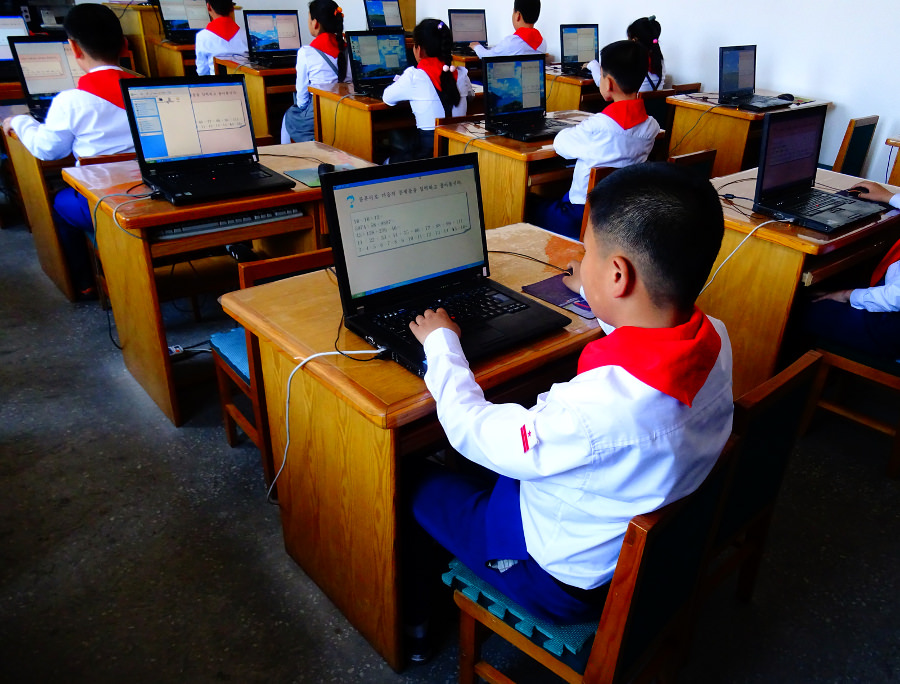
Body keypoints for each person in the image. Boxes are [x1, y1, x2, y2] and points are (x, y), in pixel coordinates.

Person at [405, 163, 733, 654]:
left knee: (410, 478)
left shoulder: (589, 413)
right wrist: (597, 290)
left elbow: (472, 430)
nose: (583, 261)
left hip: (559, 581)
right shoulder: (716, 341)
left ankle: (414, 626)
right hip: (637, 547)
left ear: (619, 274)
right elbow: (643, 340)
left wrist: (442, 344)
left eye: (590, 253)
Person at [1, 3, 139, 298]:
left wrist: (21, 121)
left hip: (102, 203)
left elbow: (47, 151)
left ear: (73, 49)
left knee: (60, 203)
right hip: (148, 193)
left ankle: (85, 282)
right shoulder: (148, 86)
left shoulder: (70, 100)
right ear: (125, 45)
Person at [526, 40, 660, 240]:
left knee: (527, 204)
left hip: (578, 218)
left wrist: (576, 128)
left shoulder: (597, 127)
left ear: (609, 83)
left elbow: (560, 144)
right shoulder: (651, 127)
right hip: (616, 216)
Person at [800, 180, 900, 358]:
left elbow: (895, 297)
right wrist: (889, 197)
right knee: (835, 281)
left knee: (802, 309)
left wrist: (847, 295)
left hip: (891, 330)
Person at [381, 19, 472, 162]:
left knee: (384, 159)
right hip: (457, 153)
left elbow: (387, 98)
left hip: (426, 158)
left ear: (419, 50)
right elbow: (470, 96)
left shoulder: (413, 77)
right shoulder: (462, 75)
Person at [281, 0, 350, 144]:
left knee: (289, 115)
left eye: (309, 19)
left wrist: (303, 110)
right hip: (347, 109)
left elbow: (301, 98)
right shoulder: (349, 49)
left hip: (319, 112)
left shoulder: (306, 52)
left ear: (316, 23)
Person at [470, 0, 546, 58]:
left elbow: (487, 56)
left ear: (518, 15)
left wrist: (476, 46)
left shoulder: (511, 42)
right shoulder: (542, 43)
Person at [194, 0, 247, 76]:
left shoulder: (202, 36)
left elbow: (202, 72)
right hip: (246, 83)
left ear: (208, 7)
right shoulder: (246, 35)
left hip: (217, 85)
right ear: (232, 8)